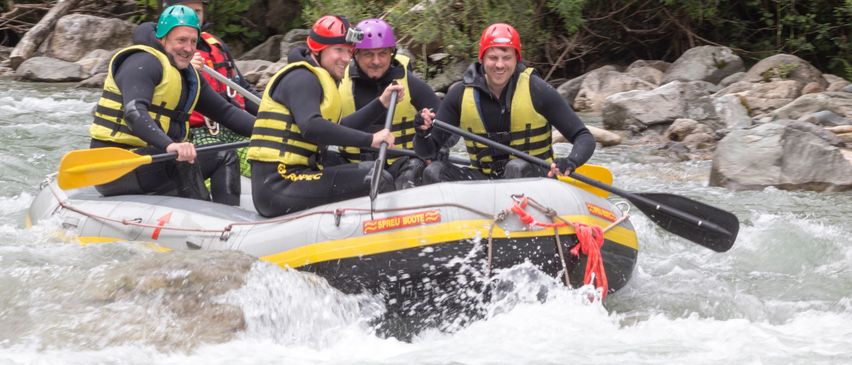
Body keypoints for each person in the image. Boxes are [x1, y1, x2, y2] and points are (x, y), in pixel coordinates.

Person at [88, 5, 254, 205]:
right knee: (181, 159)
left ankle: (228, 216)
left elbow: (227, 113)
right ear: (162, 39)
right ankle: (203, 220)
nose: (188, 48)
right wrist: (170, 145)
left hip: (158, 161)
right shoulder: (142, 62)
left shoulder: (189, 77)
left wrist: (273, 131)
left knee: (224, 155)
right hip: (115, 166)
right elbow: (134, 113)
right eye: (181, 40)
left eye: (193, 41)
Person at [247, 15, 404, 217]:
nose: (346, 59)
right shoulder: (302, 77)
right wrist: (371, 139)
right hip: (279, 184)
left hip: (295, 178)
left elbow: (341, 128)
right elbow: (312, 127)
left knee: (374, 169)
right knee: (376, 178)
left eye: (349, 52)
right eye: (338, 50)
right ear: (318, 50)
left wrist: (380, 103)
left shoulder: (317, 78)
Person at [415, 23, 595, 183]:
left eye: (506, 57)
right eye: (493, 58)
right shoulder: (459, 95)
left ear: (516, 59)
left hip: (537, 179)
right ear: (482, 59)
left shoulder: (536, 90)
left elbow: (584, 137)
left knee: (515, 168)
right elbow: (428, 152)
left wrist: (570, 161)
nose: (500, 65)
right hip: (485, 182)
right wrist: (422, 133)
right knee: (434, 171)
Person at [335, 18, 442, 189]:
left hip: (403, 165)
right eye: (368, 54)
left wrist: (429, 137)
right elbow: (328, 130)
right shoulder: (338, 82)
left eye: (382, 53)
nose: (376, 61)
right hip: (356, 167)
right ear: (356, 54)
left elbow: (448, 128)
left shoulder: (410, 83)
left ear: (391, 54)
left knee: (417, 166)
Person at [170, 0, 259, 178]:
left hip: (233, 126)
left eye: (197, 11)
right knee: (223, 157)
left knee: (266, 153)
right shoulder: (169, 53)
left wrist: (272, 115)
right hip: (196, 132)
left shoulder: (215, 44)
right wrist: (183, 70)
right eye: (187, 11)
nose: (193, 17)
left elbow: (243, 89)